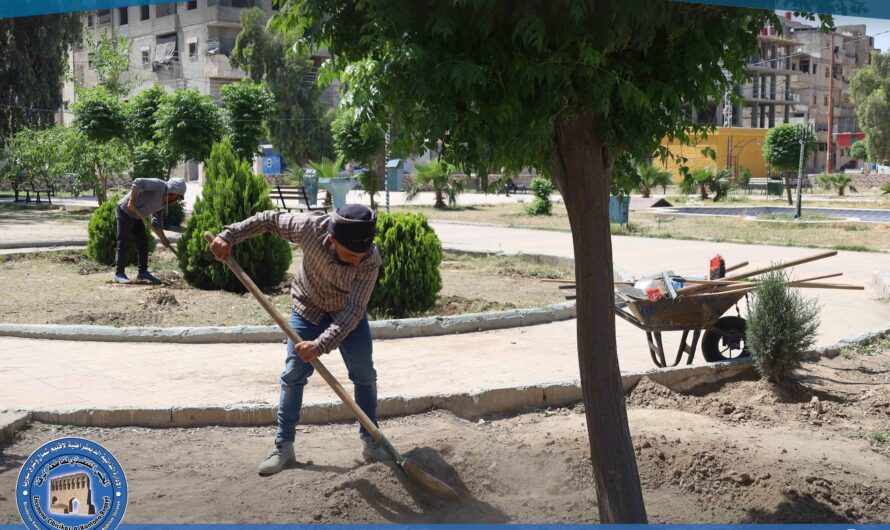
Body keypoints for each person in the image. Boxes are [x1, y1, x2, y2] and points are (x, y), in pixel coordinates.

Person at [209, 204, 386, 476]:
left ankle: (372, 441)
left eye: (359, 256)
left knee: (364, 374)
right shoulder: (309, 228)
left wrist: (320, 345)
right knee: (293, 374)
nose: (355, 261)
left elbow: (353, 312)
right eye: (350, 254)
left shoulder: (370, 259)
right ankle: (284, 446)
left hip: (345, 314)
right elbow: (269, 220)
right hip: (308, 308)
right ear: (332, 238)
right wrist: (229, 235)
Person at [114, 178, 186, 284]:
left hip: (137, 216)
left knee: (143, 242)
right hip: (124, 210)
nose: (177, 200)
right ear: (172, 191)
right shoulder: (160, 186)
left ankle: (142, 272)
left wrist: (163, 238)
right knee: (124, 241)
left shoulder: (164, 203)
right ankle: (118, 273)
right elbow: (138, 182)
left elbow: (157, 222)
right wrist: (132, 201)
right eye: (177, 197)